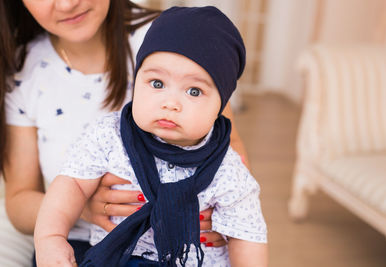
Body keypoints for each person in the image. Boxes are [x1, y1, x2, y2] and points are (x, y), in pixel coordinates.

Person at [0, 1, 248, 266]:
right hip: (81, 243)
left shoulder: (173, 36)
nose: (67, 3)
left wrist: (225, 216)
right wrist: (77, 208)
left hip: (181, 245)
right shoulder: (22, 70)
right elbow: (18, 200)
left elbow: (228, 145)